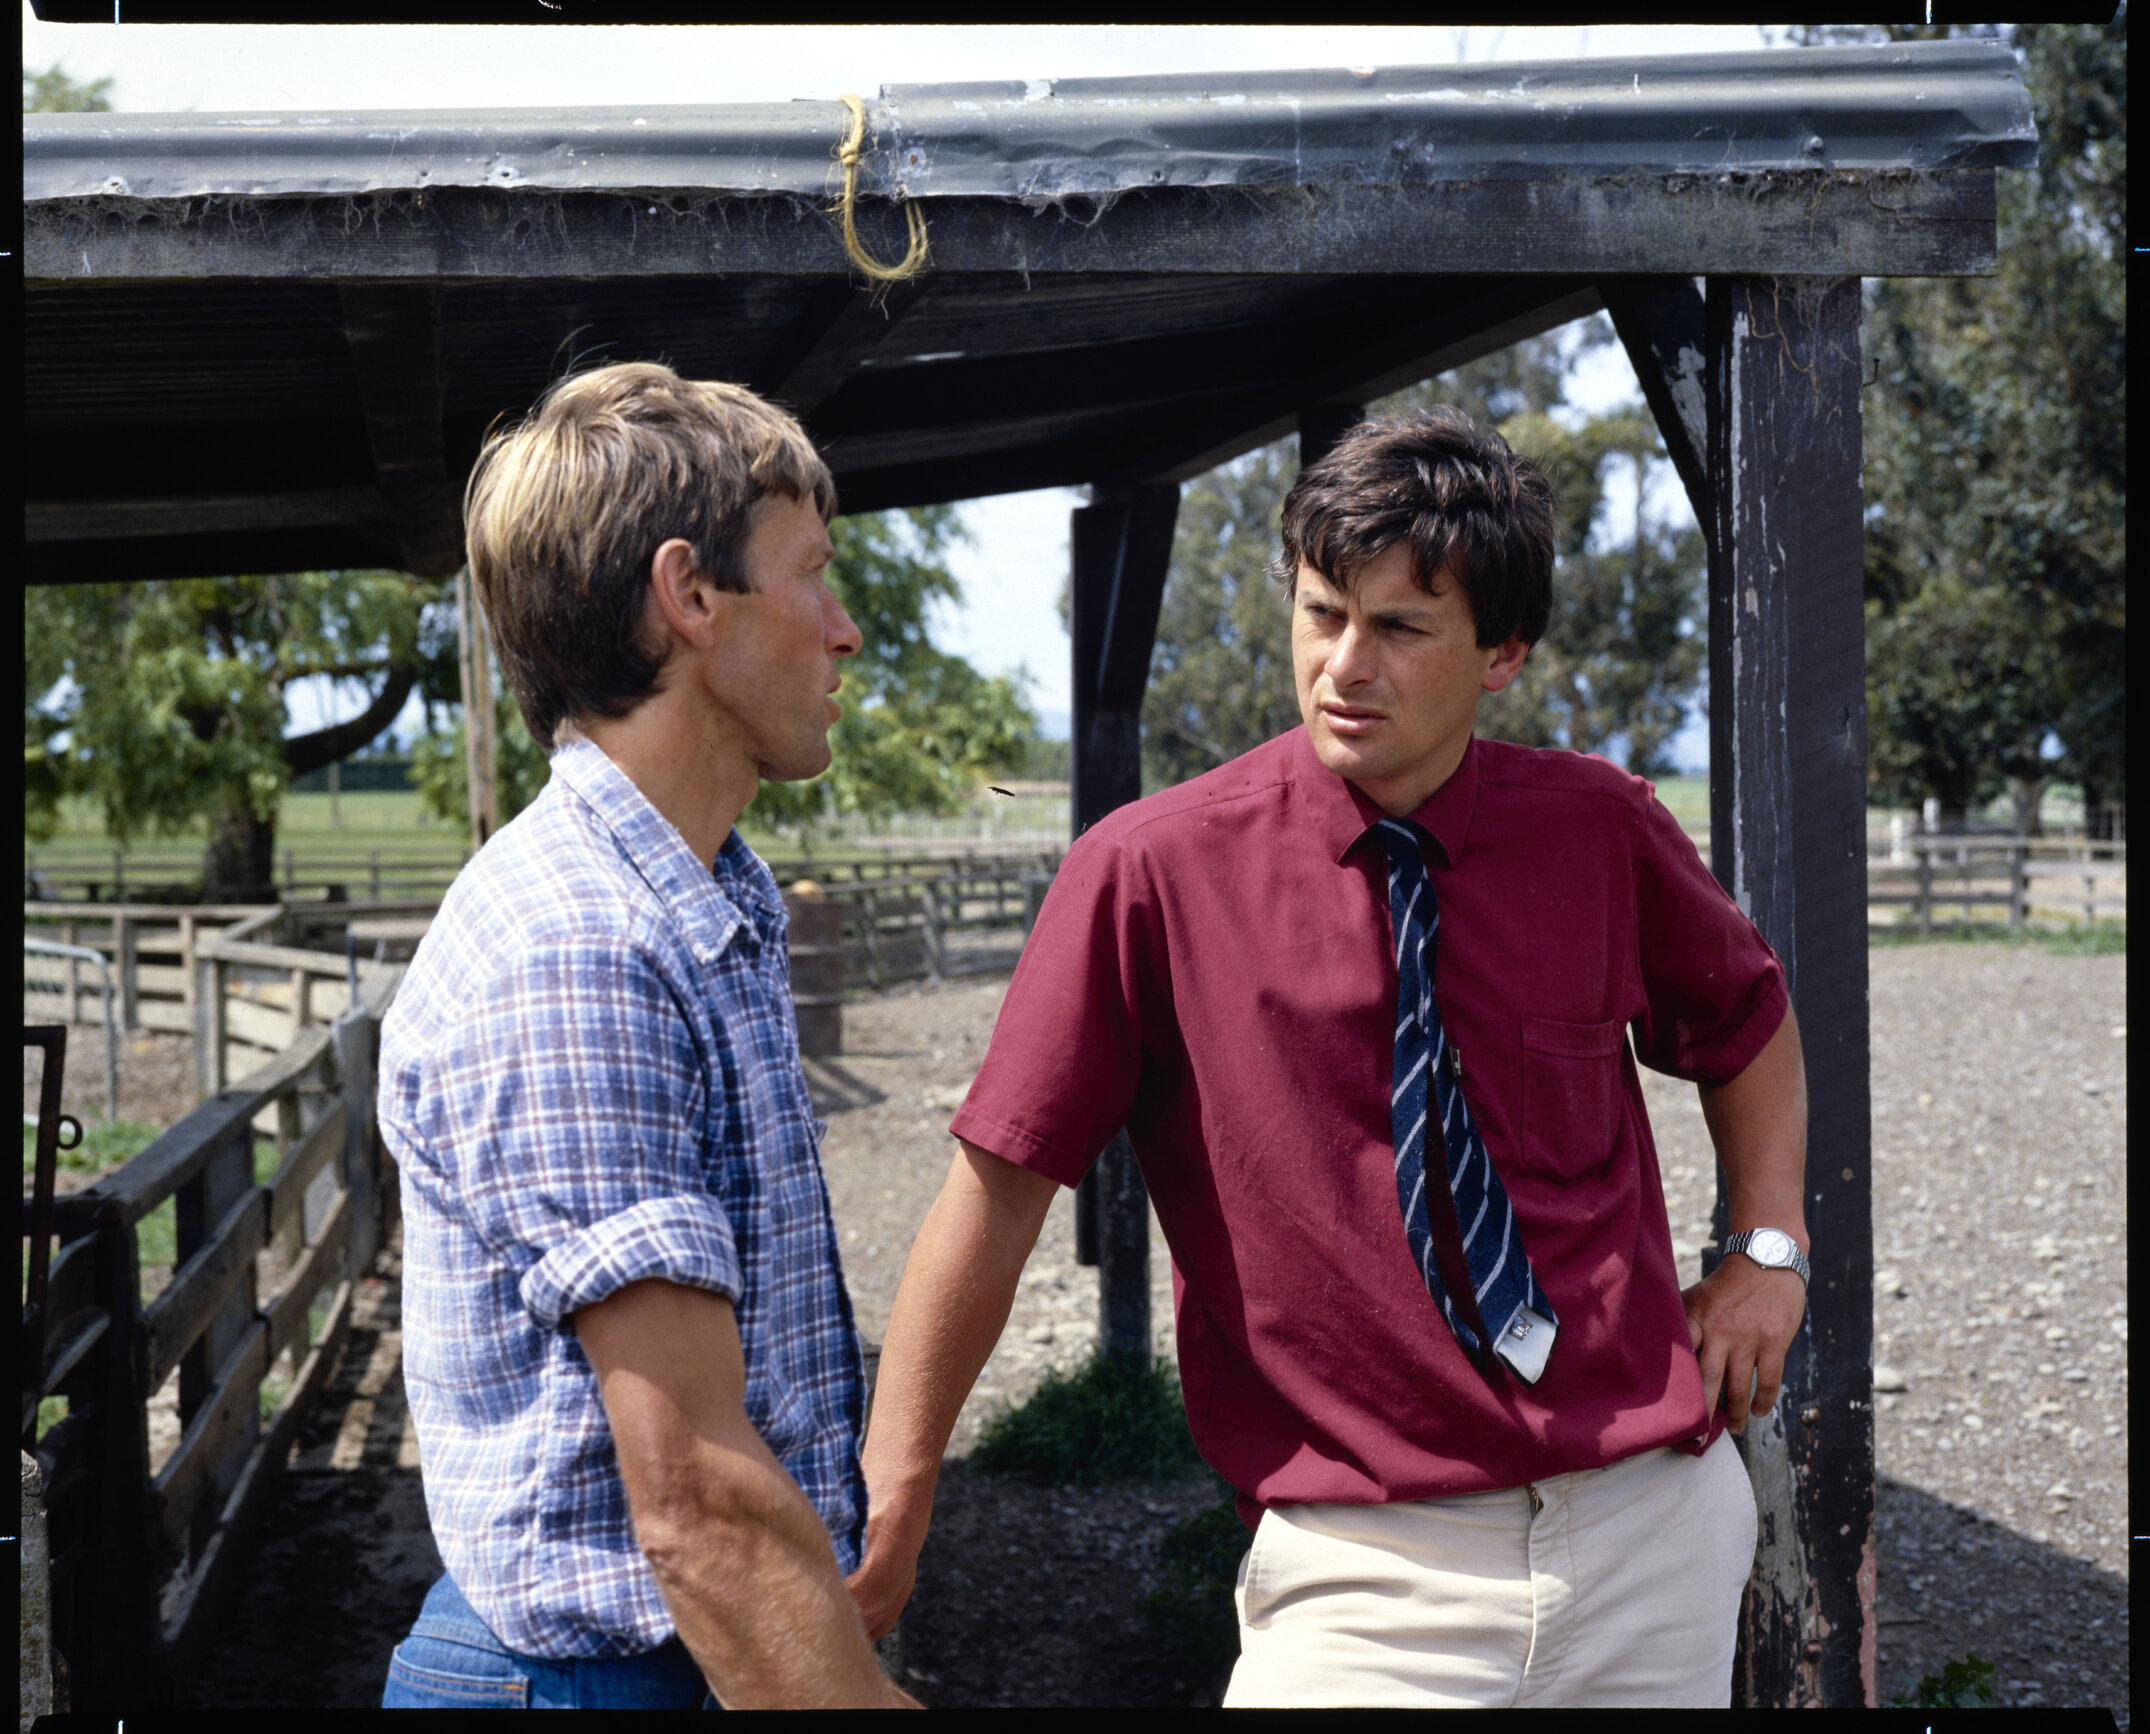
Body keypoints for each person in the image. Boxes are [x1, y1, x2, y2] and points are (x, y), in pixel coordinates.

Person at [849, 407, 1811, 1708]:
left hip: (1653, 1526)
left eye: (1400, 629)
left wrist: (1765, 1248)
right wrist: (900, 1479)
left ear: (1502, 653)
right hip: (1365, 1573)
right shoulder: (1147, 874)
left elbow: (1745, 1024)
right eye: (1320, 612)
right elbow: (999, 1185)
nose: (1342, 665)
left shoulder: (1599, 830)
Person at [376, 362, 913, 1709]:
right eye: (811, 574)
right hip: (601, 1676)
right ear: (689, 597)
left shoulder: (695, 894)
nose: (842, 630)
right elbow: (693, 1505)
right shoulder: (581, 947)